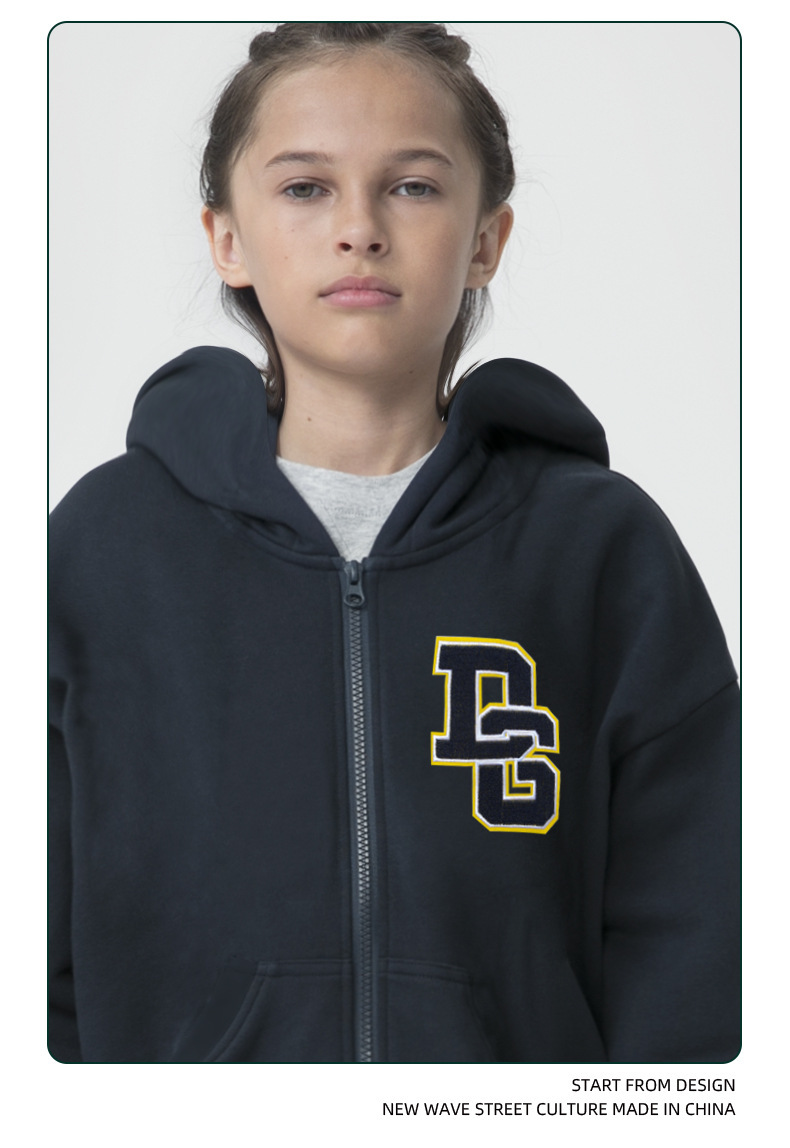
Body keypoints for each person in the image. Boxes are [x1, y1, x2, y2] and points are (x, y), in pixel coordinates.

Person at [48, 21, 740, 1064]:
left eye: (412, 186)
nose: (359, 229)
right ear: (226, 238)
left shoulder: (602, 551)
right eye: (305, 188)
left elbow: (699, 943)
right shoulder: (102, 551)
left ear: (486, 239)